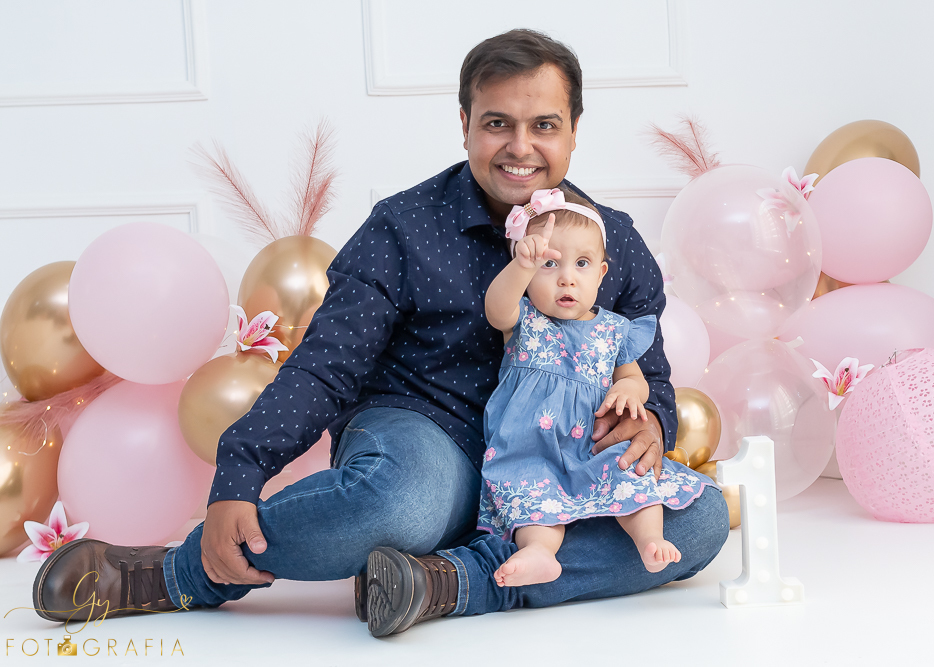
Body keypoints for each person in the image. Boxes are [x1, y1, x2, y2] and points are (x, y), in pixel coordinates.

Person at [31, 29, 729, 637]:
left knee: (695, 522)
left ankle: (446, 583)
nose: (521, 148)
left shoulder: (612, 243)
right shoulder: (402, 227)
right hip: (430, 432)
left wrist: (650, 424)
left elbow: (648, 370)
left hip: (557, 461)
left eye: (544, 125)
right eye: (496, 124)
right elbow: (323, 367)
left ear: (575, 128)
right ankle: (182, 573)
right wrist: (237, 475)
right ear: (463, 124)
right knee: (410, 499)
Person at [473, 191, 716, 591]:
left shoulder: (613, 331)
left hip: (592, 446)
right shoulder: (525, 321)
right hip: (531, 450)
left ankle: (649, 538)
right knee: (533, 498)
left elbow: (636, 378)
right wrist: (521, 265)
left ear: (601, 274)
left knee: (632, 473)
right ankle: (539, 553)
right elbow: (496, 307)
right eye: (549, 264)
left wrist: (628, 389)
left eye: (581, 264)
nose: (567, 277)